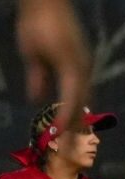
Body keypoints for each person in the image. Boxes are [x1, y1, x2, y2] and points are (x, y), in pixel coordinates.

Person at [17, 0, 93, 131]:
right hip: (52, 17)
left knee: (38, 92)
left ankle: (47, 138)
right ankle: (58, 137)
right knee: (75, 75)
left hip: (26, 21)